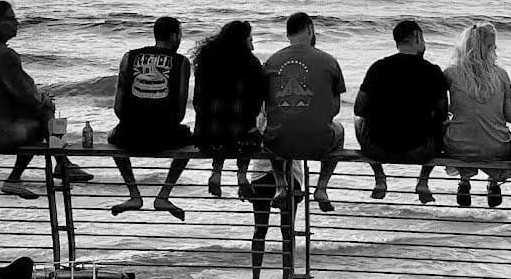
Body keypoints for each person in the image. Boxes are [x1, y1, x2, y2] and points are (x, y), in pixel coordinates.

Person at [0, 0, 91, 200]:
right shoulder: (4, 55)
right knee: (45, 115)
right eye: (10, 19)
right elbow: (27, 96)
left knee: (40, 113)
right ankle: (35, 172)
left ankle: (62, 165)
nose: (16, 23)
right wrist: (45, 101)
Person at [108, 16, 194, 220]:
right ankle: (164, 195)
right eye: (180, 35)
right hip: (165, 135)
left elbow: (118, 105)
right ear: (174, 36)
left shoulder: (129, 57)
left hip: (129, 135)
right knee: (189, 142)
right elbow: (180, 110)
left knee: (112, 137)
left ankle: (134, 194)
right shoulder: (182, 62)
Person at [354, 19, 448, 204]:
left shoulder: (378, 67)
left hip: (378, 150)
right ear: (418, 37)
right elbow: (442, 113)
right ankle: (423, 180)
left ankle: (379, 176)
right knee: (443, 125)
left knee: (358, 122)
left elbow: (359, 109)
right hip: (420, 150)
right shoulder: (432, 71)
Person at [260, 12, 346, 212]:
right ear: (310, 29)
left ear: (288, 34)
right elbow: (335, 109)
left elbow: (265, 106)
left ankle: (281, 185)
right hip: (319, 142)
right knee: (340, 131)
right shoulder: (329, 61)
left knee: (270, 132)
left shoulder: (271, 62)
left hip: (279, 143)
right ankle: (322, 188)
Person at [442, 23, 511, 208]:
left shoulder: (450, 73)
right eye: (493, 45)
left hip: (459, 148)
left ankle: (464, 181)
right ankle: (493, 181)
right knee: (499, 138)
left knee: (459, 131)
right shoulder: (501, 75)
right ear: (490, 48)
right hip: (496, 149)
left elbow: (442, 111)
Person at [192, 20, 265, 200]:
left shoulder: (206, 61)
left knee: (220, 131)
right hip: (241, 137)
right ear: (242, 41)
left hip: (207, 137)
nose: (253, 46)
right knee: (247, 131)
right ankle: (241, 174)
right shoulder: (251, 64)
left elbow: (198, 101)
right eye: (250, 40)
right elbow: (257, 101)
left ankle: (216, 172)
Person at [242, 159, 304, 279]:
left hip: (290, 173)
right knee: (260, 229)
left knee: (287, 231)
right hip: (262, 174)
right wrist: (242, 178)